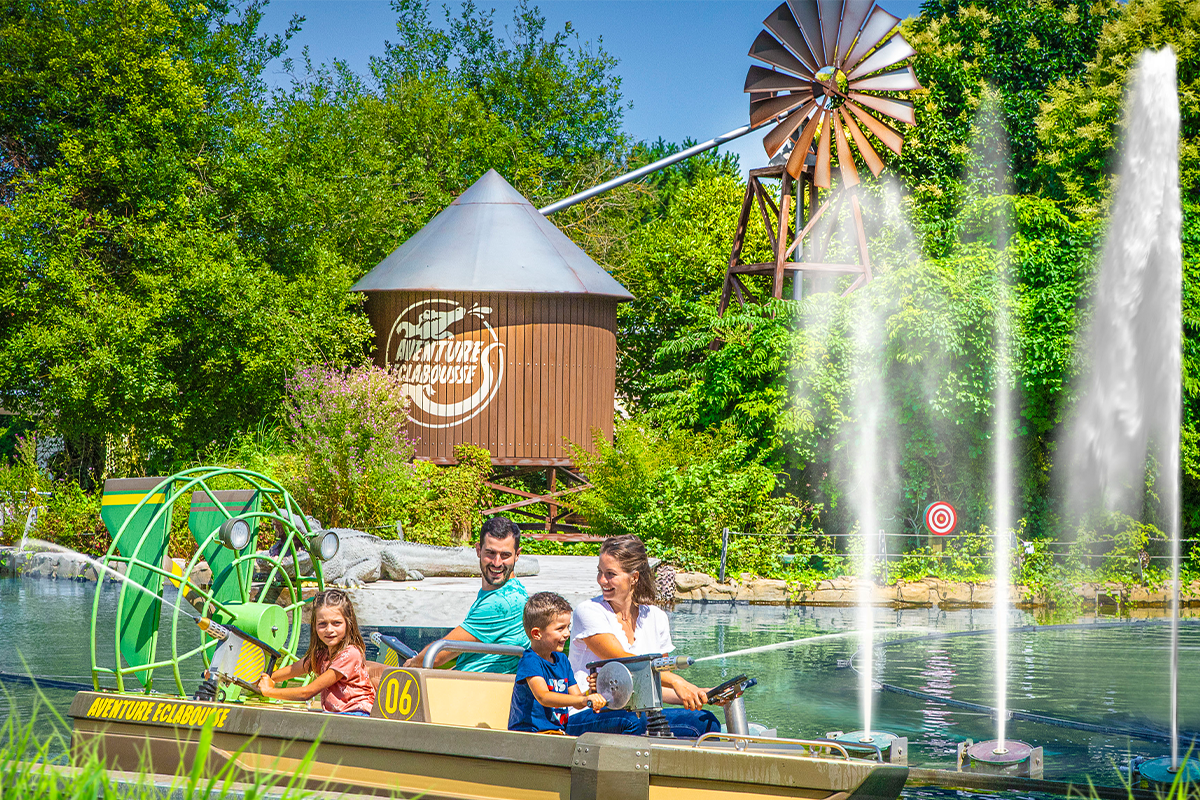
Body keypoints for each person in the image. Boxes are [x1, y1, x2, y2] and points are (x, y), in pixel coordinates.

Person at [565, 535, 721, 738]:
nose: (602, 580)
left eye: (610, 574)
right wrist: (677, 681)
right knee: (633, 721)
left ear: (634, 577)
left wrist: (699, 693)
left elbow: (657, 686)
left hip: (639, 716)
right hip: (585, 713)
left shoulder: (656, 617)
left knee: (706, 722)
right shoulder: (588, 611)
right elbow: (624, 660)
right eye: (600, 572)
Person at [406, 515, 529, 673]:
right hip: (471, 679)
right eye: (490, 553)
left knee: (376, 674)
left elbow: (436, 657)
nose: (497, 563)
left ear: (517, 555)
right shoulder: (513, 590)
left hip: (473, 685)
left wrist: (411, 663)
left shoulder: (501, 602)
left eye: (505, 555)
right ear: (478, 550)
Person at [257, 589, 376, 715]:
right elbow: (292, 670)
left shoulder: (350, 654)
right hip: (338, 714)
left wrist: (269, 691)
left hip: (357, 713)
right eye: (322, 624)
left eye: (336, 623)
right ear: (314, 626)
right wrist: (262, 679)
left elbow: (307, 693)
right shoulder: (321, 655)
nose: (329, 629)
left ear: (348, 624)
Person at [507, 592, 611, 733]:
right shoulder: (530, 661)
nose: (567, 633)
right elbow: (543, 696)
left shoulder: (561, 660)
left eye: (568, 627)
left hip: (558, 732)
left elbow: (577, 700)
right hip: (531, 734)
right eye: (560, 628)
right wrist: (582, 700)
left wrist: (589, 694)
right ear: (537, 634)